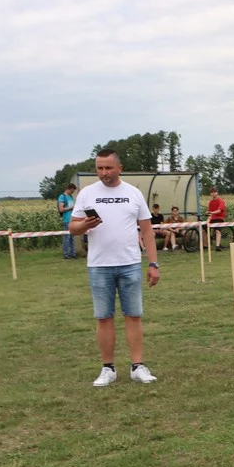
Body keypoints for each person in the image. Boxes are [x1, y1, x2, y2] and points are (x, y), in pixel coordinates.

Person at [69, 148, 160, 386]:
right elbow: (73, 228)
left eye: (108, 168)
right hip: (99, 266)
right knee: (104, 318)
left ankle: (137, 366)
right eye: (99, 168)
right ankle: (108, 368)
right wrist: (84, 224)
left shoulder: (133, 193)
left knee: (133, 316)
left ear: (119, 168)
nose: (104, 172)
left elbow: (147, 230)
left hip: (129, 263)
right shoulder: (87, 194)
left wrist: (153, 263)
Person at [58, 183, 78, 259]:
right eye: (72, 191)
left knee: (72, 237)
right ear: (68, 189)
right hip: (66, 219)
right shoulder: (62, 197)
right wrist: (71, 208)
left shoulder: (70, 196)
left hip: (72, 219)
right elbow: (61, 209)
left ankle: (73, 254)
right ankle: (66, 254)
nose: (72, 193)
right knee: (67, 237)